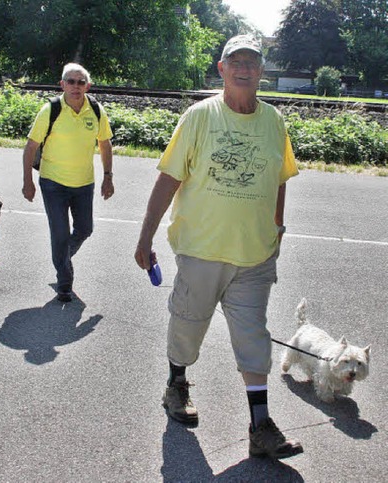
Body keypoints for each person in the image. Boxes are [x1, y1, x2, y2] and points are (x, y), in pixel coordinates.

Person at [134, 35, 303, 460]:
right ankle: (176, 385)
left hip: (255, 255)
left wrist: (278, 228)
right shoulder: (199, 117)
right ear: (222, 69)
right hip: (201, 251)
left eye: (253, 62)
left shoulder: (274, 122)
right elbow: (169, 177)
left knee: (254, 339)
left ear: (262, 71)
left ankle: (260, 426)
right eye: (236, 61)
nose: (245, 68)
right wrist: (145, 235)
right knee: (188, 326)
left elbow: (279, 178)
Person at [22, 63, 114, 302]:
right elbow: (31, 146)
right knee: (60, 234)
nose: (75, 86)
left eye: (80, 82)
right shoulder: (50, 110)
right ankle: (65, 282)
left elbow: (105, 144)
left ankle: (63, 257)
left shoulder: (95, 109)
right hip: (53, 183)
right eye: (70, 82)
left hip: (84, 183)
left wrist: (108, 176)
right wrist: (27, 181)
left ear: (88, 86)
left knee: (85, 229)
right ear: (62, 84)